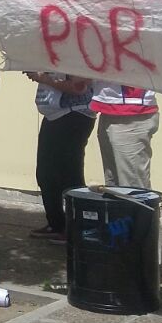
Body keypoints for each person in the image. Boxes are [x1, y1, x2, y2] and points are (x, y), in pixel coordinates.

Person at [25, 72, 95, 243]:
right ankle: (57, 224)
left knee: (69, 174)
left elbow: (78, 87)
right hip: (55, 115)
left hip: (74, 115)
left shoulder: (76, 55)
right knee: (47, 173)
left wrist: (42, 77)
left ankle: (76, 227)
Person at [91, 83, 159, 189]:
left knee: (133, 188)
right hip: (109, 108)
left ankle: (138, 205)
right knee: (114, 185)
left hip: (131, 110)